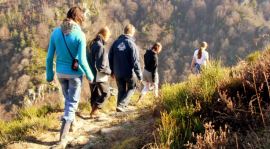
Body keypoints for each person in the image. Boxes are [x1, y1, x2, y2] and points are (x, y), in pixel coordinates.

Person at [46, 6, 94, 148]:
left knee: (68, 100)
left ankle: (72, 124)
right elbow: (82, 60)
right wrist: (90, 76)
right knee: (72, 104)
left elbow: (49, 58)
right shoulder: (80, 35)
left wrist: (49, 75)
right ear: (79, 18)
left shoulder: (55, 32)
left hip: (60, 73)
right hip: (74, 74)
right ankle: (62, 139)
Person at [109, 24, 142, 112]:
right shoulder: (132, 44)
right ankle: (122, 105)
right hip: (128, 73)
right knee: (132, 87)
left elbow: (110, 57)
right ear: (132, 32)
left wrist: (112, 71)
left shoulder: (115, 43)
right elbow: (135, 62)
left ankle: (119, 108)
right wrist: (139, 75)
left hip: (117, 72)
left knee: (121, 90)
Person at [87, 27, 111, 118]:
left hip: (90, 73)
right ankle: (95, 110)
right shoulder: (100, 46)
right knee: (106, 93)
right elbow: (101, 66)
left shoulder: (90, 44)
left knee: (94, 93)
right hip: (98, 75)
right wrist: (109, 71)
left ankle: (93, 112)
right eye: (108, 36)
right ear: (105, 36)